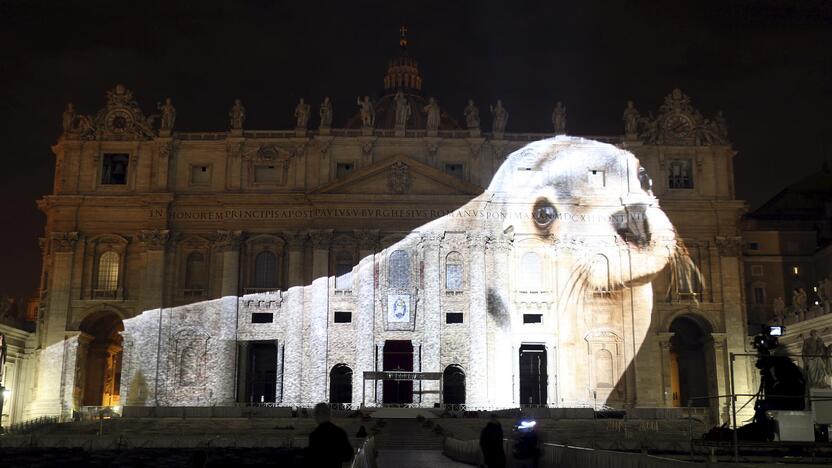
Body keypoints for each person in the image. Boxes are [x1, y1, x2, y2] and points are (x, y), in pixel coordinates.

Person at [306, 403, 353, 467]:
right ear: (329, 414)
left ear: (316, 415)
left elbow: (311, 461)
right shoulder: (340, 432)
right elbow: (348, 456)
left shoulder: (314, 435)